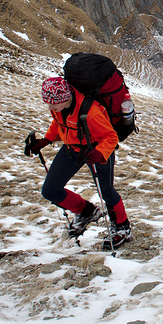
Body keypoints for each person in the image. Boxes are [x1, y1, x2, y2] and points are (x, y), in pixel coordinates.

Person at [24, 76, 132, 249]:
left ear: (65, 98)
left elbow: (111, 137)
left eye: (53, 103)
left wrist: (100, 153)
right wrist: (45, 141)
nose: (50, 107)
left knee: (106, 191)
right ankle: (87, 212)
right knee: (50, 190)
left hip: (94, 149)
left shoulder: (92, 112)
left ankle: (122, 227)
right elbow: (59, 123)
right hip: (72, 148)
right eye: (48, 103)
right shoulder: (59, 107)